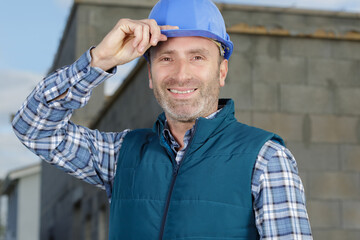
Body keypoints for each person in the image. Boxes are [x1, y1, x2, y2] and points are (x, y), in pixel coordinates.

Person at [12, 0, 312, 239]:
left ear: (221, 72)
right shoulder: (120, 155)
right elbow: (34, 128)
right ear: (151, 76)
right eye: (166, 58)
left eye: (197, 57)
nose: (181, 74)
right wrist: (98, 62)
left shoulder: (266, 158)